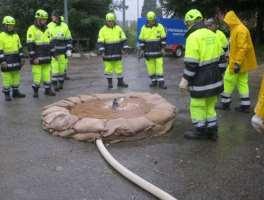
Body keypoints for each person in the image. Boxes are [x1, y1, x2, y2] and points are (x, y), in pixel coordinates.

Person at [179, 9, 224, 140]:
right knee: (210, 106)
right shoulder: (213, 34)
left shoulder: (192, 37)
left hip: (200, 80)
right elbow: (222, 60)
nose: (187, 26)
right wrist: (217, 74)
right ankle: (212, 131)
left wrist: (185, 80)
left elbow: (191, 64)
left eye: (187, 23)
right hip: (215, 78)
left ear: (190, 22)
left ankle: (199, 130)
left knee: (197, 105)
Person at [216, 10, 257, 112]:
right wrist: (230, 56)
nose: (226, 23)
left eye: (227, 21)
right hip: (241, 62)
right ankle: (245, 105)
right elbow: (236, 47)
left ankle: (225, 103)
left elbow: (242, 48)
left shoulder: (239, 30)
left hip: (237, 63)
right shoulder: (237, 29)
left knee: (227, 80)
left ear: (231, 20)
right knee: (242, 82)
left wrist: (236, 63)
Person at [27, 9, 56, 97]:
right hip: (37, 58)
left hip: (46, 57)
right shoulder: (31, 29)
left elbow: (51, 42)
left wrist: (53, 54)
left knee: (47, 75)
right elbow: (30, 44)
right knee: (37, 76)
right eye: (43, 19)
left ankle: (47, 90)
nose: (45, 21)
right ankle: (36, 91)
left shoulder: (47, 29)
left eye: (45, 20)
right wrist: (33, 57)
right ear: (38, 19)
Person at [97, 12, 129, 89]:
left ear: (114, 20)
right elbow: (100, 42)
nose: (111, 22)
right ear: (106, 21)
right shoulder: (102, 30)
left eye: (112, 21)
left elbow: (124, 39)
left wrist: (124, 49)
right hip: (107, 54)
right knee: (108, 69)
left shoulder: (118, 29)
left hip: (117, 53)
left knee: (119, 69)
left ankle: (120, 82)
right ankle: (110, 83)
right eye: (109, 21)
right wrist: (102, 51)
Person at [139, 11, 167, 89]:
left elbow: (163, 39)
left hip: (158, 52)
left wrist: (163, 48)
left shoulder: (160, 27)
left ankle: (161, 83)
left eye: (152, 20)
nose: (151, 22)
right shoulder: (143, 28)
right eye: (149, 20)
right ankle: (154, 81)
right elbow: (141, 40)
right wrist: (142, 50)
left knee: (159, 68)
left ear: (155, 19)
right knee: (151, 69)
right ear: (147, 20)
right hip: (148, 53)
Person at [0, 16, 26, 101]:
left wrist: (22, 57)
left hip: (16, 60)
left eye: (12, 25)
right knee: (7, 78)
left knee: (16, 77)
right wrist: (2, 61)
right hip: (6, 61)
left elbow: (20, 48)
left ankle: (15, 92)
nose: (11, 27)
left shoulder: (16, 35)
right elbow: (0, 50)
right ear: (5, 25)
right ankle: (7, 94)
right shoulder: (1, 36)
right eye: (9, 25)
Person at [48, 10, 72, 91]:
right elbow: (47, 40)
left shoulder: (64, 26)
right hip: (53, 53)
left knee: (62, 70)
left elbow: (68, 39)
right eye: (53, 16)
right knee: (55, 70)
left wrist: (69, 49)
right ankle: (55, 85)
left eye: (56, 16)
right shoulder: (49, 26)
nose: (54, 18)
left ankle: (61, 84)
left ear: (58, 17)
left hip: (63, 53)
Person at [60, 16, 72, 80]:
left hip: (64, 48)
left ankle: (63, 74)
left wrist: (69, 49)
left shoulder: (65, 27)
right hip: (62, 48)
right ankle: (62, 75)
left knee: (64, 62)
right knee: (62, 62)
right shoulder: (51, 26)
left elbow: (69, 39)